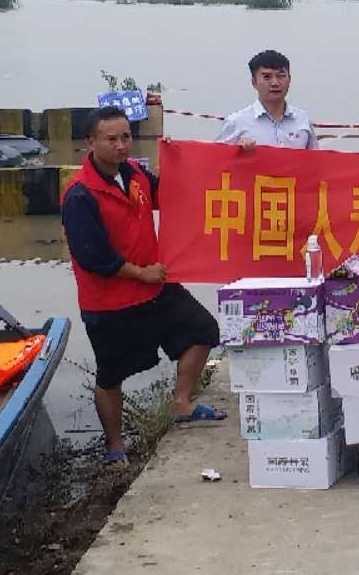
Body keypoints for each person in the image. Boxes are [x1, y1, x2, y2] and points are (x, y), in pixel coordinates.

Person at [61, 105, 224, 465]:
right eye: (111, 139)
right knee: (110, 376)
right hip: (111, 302)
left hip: (155, 288)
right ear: (90, 142)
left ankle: (181, 403)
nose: (121, 146)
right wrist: (140, 272)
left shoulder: (134, 173)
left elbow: (170, 196)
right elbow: (93, 257)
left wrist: (180, 159)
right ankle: (115, 446)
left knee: (203, 330)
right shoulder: (79, 194)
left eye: (126, 137)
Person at [216, 49, 315, 152]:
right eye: (267, 77)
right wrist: (237, 150)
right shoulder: (237, 122)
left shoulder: (302, 120)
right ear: (254, 83)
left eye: (281, 76)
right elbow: (218, 158)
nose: (275, 83)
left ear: (289, 80)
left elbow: (315, 159)